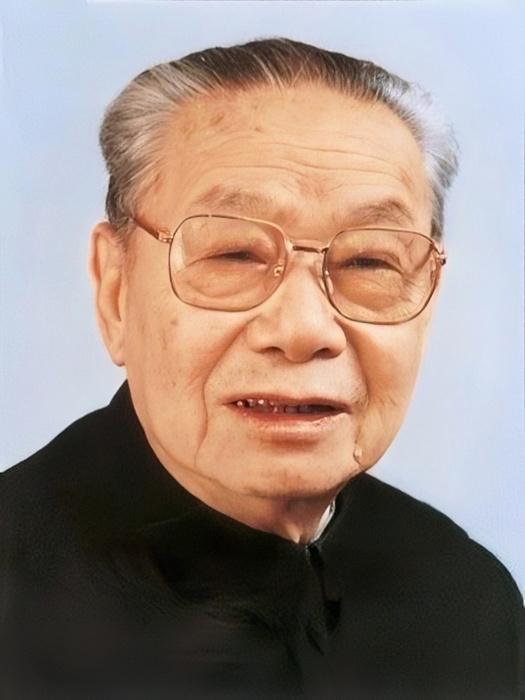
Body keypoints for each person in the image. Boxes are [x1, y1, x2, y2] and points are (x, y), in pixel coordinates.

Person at [1, 38, 522, 698]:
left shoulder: (467, 599)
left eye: (369, 261)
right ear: (115, 289)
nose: (302, 331)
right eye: (234, 254)